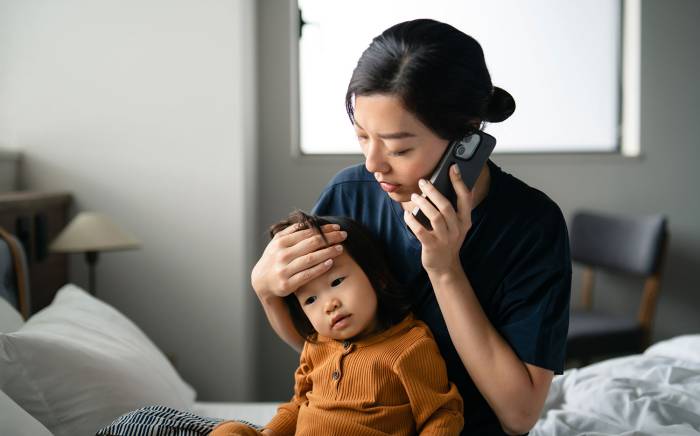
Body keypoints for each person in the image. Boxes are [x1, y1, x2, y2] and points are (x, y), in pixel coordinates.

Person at [251, 18, 571, 435]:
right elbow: (329, 351)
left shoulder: (532, 226)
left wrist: (445, 270)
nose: (374, 164)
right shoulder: (350, 195)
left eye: (400, 148)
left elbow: (519, 415)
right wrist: (267, 291)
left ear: (467, 138)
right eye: (363, 137)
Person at [212, 210, 463, 436]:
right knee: (229, 431)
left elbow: (442, 415)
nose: (328, 304)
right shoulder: (317, 346)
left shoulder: (410, 347)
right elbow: (300, 405)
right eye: (310, 299)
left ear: (378, 278)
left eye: (336, 282)